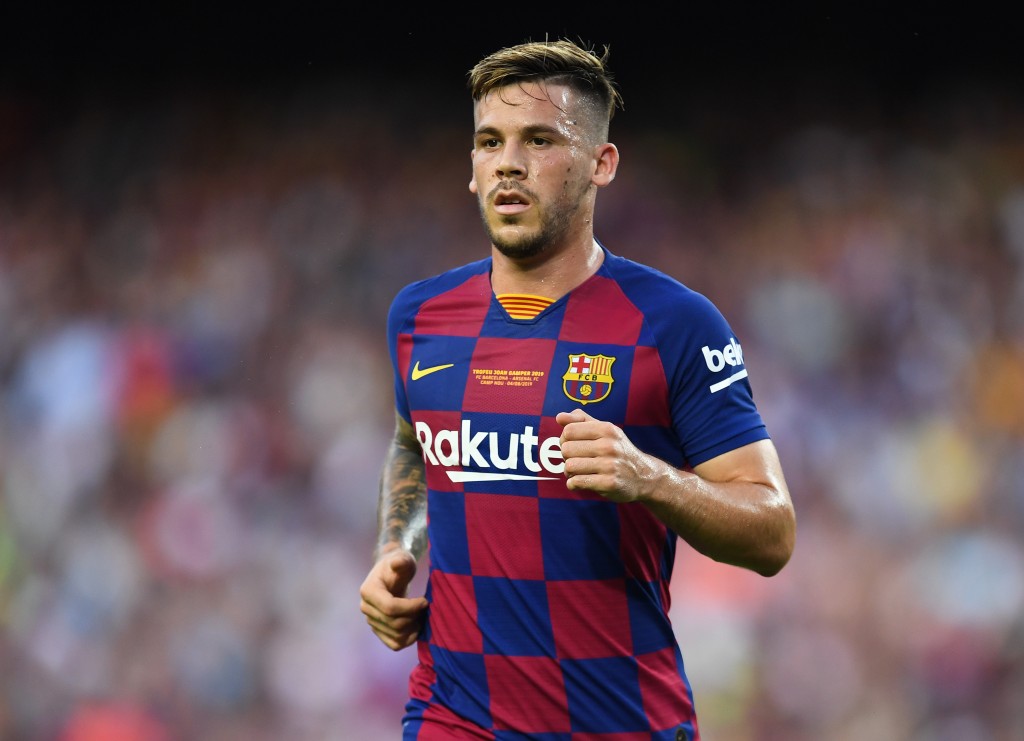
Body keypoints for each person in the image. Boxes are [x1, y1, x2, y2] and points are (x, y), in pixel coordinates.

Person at [359, 37, 796, 740]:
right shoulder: (419, 317)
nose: (509, 162)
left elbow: (772, 531)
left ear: (602, 163)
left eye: (539, 140)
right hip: (452, 715)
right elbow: (414, 443)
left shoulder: (673, 323)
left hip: (619, 720)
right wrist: (394, 548)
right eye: (490, 142)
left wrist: (651, 478)